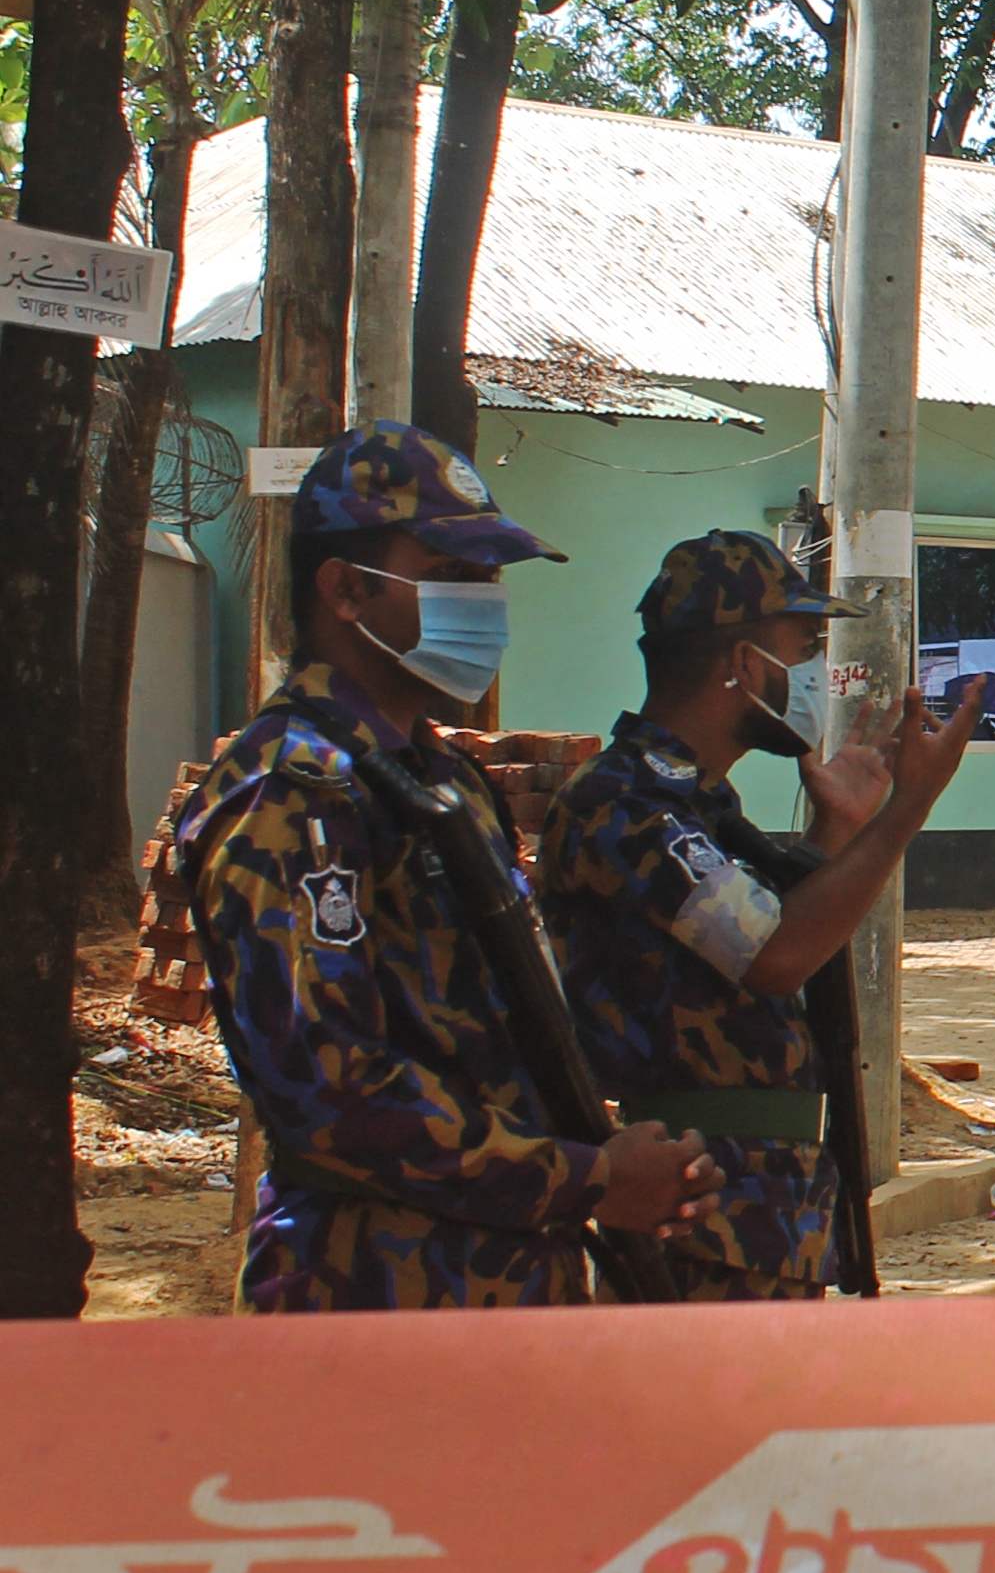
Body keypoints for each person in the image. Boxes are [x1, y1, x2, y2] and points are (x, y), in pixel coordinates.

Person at [173, 422, 721, 1309]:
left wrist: (607, 1156)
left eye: (491, 580)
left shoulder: (439, 779)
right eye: (455, 578)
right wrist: (583, 1179)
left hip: (507, 1285)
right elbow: (328, 1089)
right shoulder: (292, 792)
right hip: (371, 1300)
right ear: (346, 589)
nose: (486, 604)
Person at [538, 533, 983, 1300]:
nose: (810, 674)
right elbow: (776, 956)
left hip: (759, 1212)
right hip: (703, 1214)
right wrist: (908, 809)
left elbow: (750, 931)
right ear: (744, 667)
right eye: (802, 650)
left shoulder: (693, 800)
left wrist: (833, 834)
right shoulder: (628, 802)